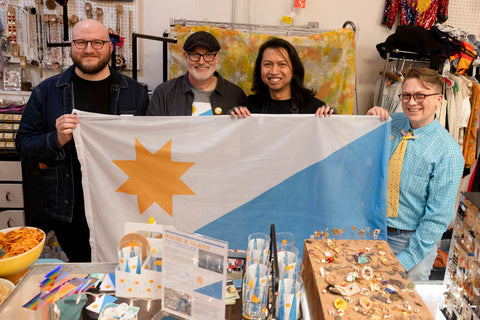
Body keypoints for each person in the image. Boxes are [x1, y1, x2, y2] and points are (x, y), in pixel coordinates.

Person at [15, 19, 149, 262]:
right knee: (82, 275)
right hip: (70, 210)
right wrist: (55, 139)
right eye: (81, 42)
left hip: (123, 205)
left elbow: (151, 147)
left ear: (110, 47)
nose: (89, 49)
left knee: (125, 272)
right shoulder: (46, 92)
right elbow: (23, 146)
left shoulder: (135, 92)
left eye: (97, 42)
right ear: (71, 47)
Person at [367, 68, 464, 280]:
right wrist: (368, 124)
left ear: (439, 99)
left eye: (421, 95)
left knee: (402, 306)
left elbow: (438, 217)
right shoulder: (390, 123)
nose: (412, 102)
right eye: (407, 95)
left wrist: (406, 259)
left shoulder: (448, 152)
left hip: (411, 243)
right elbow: (364, 163)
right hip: (373, 230)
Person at [147, 31, 246, 116]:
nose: (201, 62)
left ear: (217, 57)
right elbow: (153, 134)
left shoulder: (236, 95)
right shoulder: (164, 94)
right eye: (195, 55)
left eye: (208, 55)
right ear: (186, 56)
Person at [230, 37, 335, 117]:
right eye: (267, 64)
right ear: (259, 69)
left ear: (294, 69)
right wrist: (232, 119)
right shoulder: (249, 107)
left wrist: (332, 118)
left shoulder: (314, 109)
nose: (274, 71)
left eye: (282, 64)